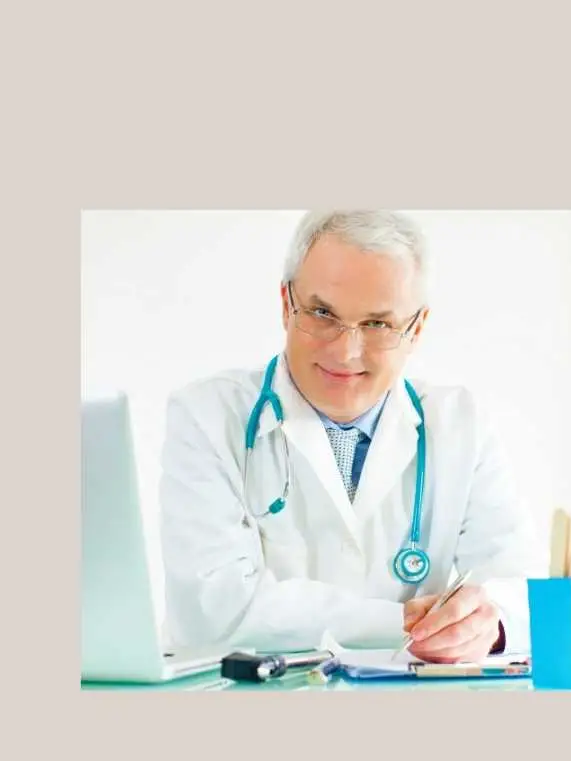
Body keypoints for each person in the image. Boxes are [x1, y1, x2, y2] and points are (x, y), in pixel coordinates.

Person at [159, 210, 546, 662]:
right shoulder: (209, 416)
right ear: (287, 305)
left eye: (378, 324)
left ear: (415, 329)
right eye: (323, 314)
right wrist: (400, 623)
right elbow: (213, 612)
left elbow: (520, 589)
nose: (346, 351)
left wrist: (487, 624)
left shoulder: (461, 424)